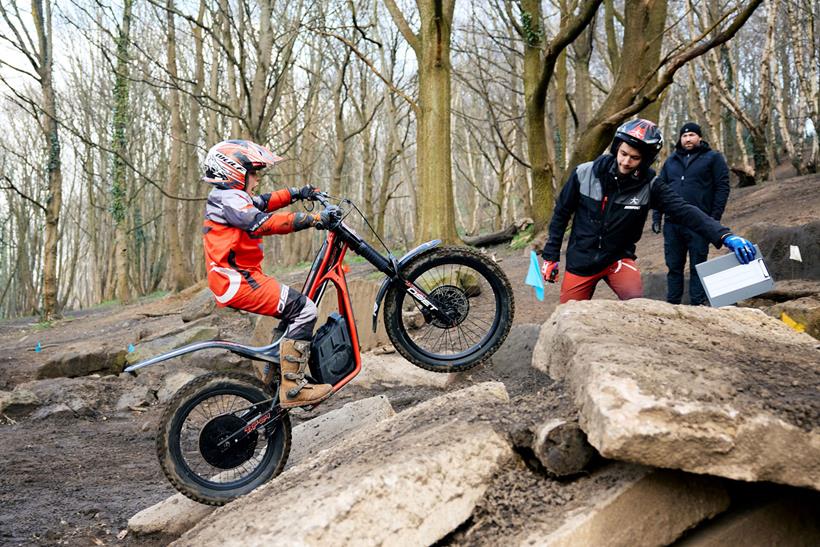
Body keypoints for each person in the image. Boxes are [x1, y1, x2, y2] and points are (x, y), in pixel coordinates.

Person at [540, 119, 755, 303]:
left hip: (618, 260)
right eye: (623, 153)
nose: (626, 162)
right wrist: (550, 256)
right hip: (581, 260)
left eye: (634, 158)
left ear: (645, 159)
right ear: (616, 148)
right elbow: (561, 214)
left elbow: (685, 210)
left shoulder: (650, 184)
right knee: (568, 316)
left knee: (638, 308)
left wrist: (725, 236)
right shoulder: (584, 173)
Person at [201, 139, 342, 408]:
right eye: (252, 173)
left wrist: (297, 193)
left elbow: (263, 203)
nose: (256, 179)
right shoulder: (229, 199)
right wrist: (313, 219)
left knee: (292, 311)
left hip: (241, 276)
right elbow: (260, 222)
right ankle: (293, 389)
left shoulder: (230, 197)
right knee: (305, 311)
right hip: (238, 280)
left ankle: (273, 375)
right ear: (233, 172)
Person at [651, 122, 730, 305]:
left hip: (699, 223)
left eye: (692, 135)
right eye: (684, 136)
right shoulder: (671, 161)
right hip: (672, 224)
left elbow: (722, 187)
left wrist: (713, 219)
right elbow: (658, 189)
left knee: (698, 266)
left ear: (700, 137)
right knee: (674, 267)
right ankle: (672, 304)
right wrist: (657, 217)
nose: (688, 139)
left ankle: (697, 304)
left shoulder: (713, 158)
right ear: (680, 138)